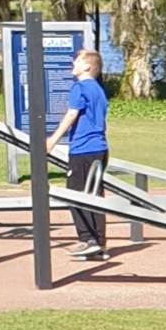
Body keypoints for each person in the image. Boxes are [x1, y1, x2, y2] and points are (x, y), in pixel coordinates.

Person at [47, 50, 111, 262]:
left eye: (78, 61)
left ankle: (87, 239)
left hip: (83, 149)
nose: (73, 63)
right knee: (95, 196)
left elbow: (72, 114)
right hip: (100, 148)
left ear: (87, 67)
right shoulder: (99, 90)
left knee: (74, 195)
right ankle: (100, 244)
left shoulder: (80, 87)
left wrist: (53, 140)